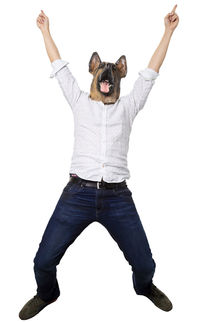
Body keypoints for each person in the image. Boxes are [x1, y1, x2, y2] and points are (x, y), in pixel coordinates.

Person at [19, 5, 179, 320]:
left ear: (118, 77)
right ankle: (47, 294)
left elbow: (150, 73)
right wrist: (45, 30)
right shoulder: (79, 101)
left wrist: (168, 31)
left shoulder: (129, 105)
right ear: (94, 73)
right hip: (77, 194)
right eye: (100, 72)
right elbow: (59, 66)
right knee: (42, 262)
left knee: (145, 264)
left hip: (118, 197)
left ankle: (144, 287)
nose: (106, 78)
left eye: (112, 74)